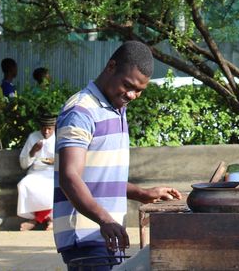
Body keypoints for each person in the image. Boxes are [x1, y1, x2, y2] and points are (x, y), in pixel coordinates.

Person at [55, 41, 181, 269]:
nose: (132, 95)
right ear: (111, 66)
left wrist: (142, 193)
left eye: (139, 90)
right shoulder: (81, 111)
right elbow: (69, 177)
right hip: (86, 236)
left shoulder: (116, 108)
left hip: (105, 234)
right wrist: (104, 219)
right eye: (128, 85)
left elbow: (102, 178)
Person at [17, 113, 56, 231]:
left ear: (54, 128)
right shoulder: (33, 137)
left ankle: (40, 220)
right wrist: (33, 151)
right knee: (24, 185)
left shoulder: (60, 137)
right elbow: (23, 164)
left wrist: (55, 161)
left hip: (54, 172)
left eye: (49, 129)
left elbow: (68, 158)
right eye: (44, 128)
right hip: (36, 172)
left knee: (51, 188)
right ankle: (42, 219)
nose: (46, 132)